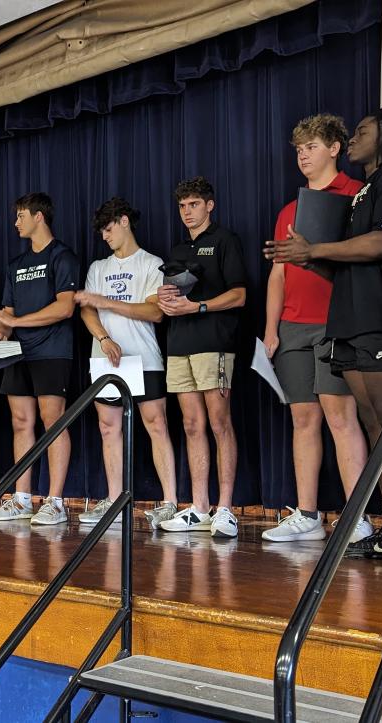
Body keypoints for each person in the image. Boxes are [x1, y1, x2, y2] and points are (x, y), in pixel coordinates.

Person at [267, 108, 382, 571]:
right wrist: (305, 257)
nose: (354, 138)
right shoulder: (365, 193)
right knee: (377, 422)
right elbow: (346, 261)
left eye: (362, 131)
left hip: (378, 315)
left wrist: (313, 250)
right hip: (349, 314)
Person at [261, 114, 370, 544]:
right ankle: (306, 515)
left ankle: (357, 516)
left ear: (334, 148)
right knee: (302, 419)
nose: (303, 155)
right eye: (299, 149)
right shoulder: (290, 208)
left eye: (311, 146)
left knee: (340, 417)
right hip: (292, 326)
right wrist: (271, 329)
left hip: (335, 323)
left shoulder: (354, 196)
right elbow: (277, 275)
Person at [75, 197, 178, 529]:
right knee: (108, 428)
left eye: (108, 229)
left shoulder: (152, 263)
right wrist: (104, 338)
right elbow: (87, 310)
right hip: (107, 360)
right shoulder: (97, 268)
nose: (105, 237)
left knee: (156, 425)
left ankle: (170, 501)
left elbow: (155, 312)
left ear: (123, 222)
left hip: (143, 357)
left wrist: (106, 301)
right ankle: (115, 499)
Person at [156, 177, 247, 535]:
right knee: (191, 425)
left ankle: (226, 506)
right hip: (178, 344)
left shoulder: (225, 241)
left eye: (193, 204)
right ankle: (199, 506)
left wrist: (199, 306)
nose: (187, 212)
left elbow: (239, 295)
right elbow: (169, 300)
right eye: (182, 206)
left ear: (209, 205)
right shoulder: (177, 249)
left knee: (219, 422)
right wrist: (165, 298)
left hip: (214, 342)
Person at [0, 192, 79, 526]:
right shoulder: (15, 265)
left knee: (52, 421)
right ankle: (22, 497)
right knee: (20, 422)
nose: (16, 223)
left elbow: (65, 307)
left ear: (39, 217)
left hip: (52, 350)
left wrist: (17, 322)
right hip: (18, 354)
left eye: (21, 215)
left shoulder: (62, 256)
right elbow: (7, 312)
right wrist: (2, 332)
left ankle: (55, 501)